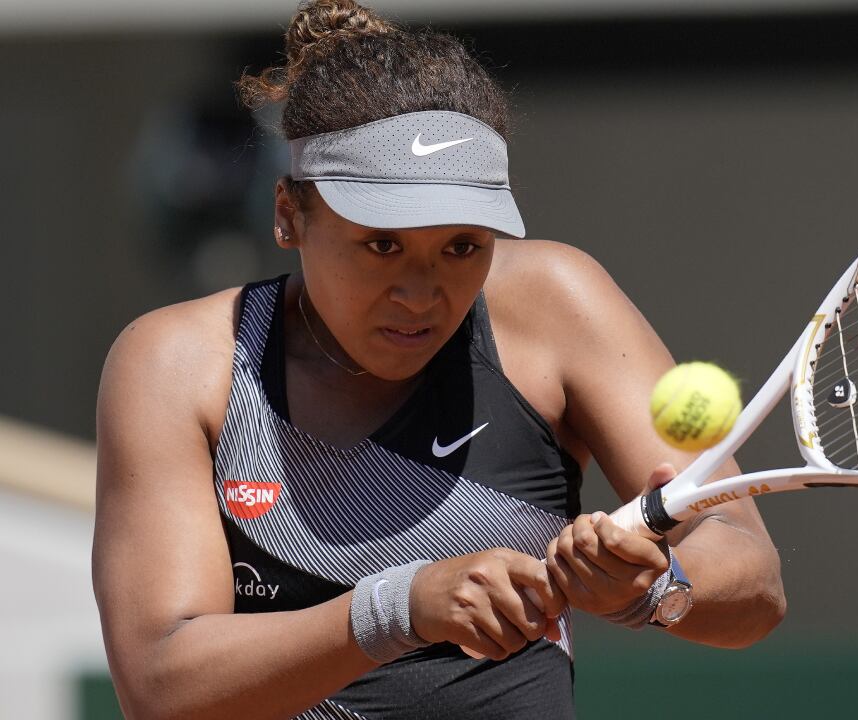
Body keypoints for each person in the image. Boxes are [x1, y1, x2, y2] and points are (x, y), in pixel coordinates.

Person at [92, 1, 785, 717]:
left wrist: (655, 587)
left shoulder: (557, 302)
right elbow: (161, 685)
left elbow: (752, 579)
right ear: (289, 215)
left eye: (462, 246)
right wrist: (398, 608)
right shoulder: (177, 362)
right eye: (382, 245)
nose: (421, 294)